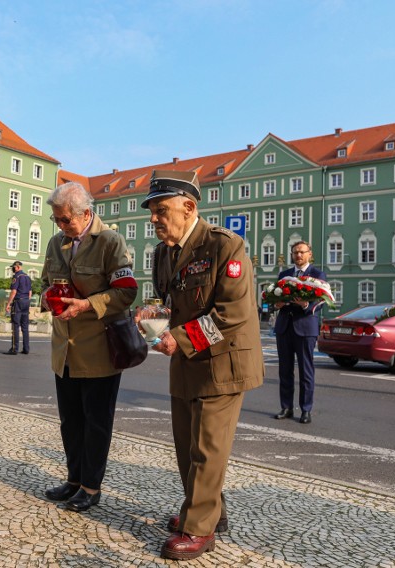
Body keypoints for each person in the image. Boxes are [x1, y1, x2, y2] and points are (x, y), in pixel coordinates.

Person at [143, 170, 263, 561]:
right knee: (184, 445)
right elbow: (170, 300)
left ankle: (199, 528)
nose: (154, 219)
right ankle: (210, 512)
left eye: (162, 210)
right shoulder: (163, 252)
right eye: (152, 212)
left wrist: (178, 337)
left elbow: (233, 314)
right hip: (186, 361)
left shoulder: (225, 246)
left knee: (207, 448)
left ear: (189, 207)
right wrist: (154, 316)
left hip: (223, 362)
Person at [41, 181, 137, 513]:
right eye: (56, 220)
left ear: (86, 213)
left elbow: (126, 292)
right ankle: (73, 479)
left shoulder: (110, 242)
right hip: (64, 350)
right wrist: (45, 296)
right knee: (70, 421)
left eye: (66, 220)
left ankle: (91, 487)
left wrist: (86, 304)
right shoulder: (56, 244)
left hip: (99, 350)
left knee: (96, 422)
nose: (61, 226)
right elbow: (45, 282)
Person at [272, 240, 327, 424]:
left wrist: (306, 305)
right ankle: (286, 407)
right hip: (284, 327)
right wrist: (276, 304)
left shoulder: (317, 275)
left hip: (305, 328)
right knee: (285, 370)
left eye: (302, 252)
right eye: (295, 252)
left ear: (310, 254)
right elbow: (275, 297)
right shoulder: (285, 275)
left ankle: (305, 410)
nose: (298, 255)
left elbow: (321, 301)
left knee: (306, 371)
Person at [3, 260, 32, 355]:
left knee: (15, 325)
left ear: (18, 267)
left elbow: (14, 291)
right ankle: (26, 348)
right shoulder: (27, 277)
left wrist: (8, 304)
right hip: (26, 301)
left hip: (18, 302)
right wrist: (27, 301)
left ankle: (14, 349)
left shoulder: (17, 276)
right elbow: (30, 292)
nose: (13, 269)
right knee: (25, 326)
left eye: (14, 267)